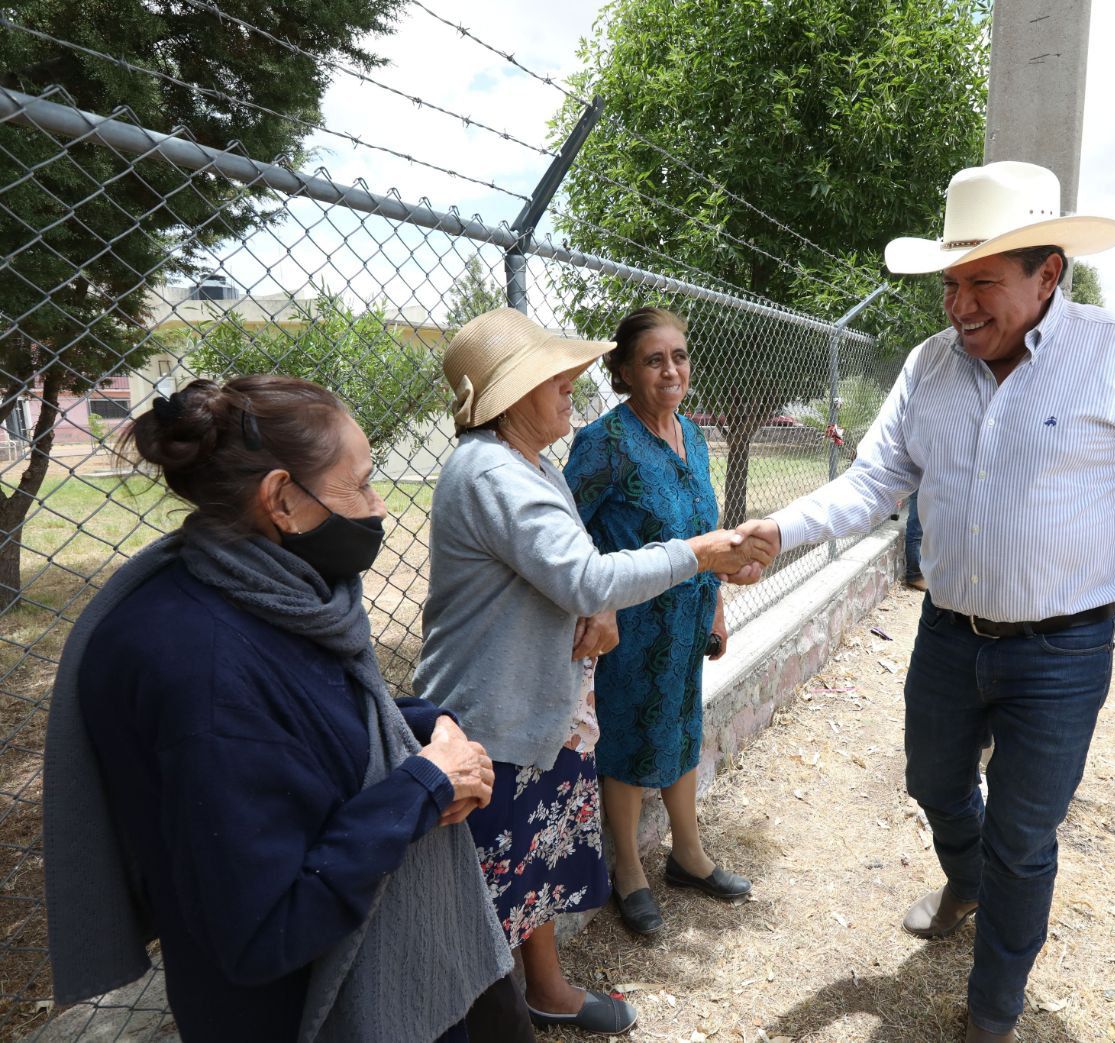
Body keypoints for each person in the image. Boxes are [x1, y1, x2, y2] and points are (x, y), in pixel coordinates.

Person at [734, 161, 1115, 1043]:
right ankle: (966, 876)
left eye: (981, 283)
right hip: (951, 634)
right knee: (934, 781)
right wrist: (782, 530)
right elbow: (875, 478)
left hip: (1065, 652)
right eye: (951, 283)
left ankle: (993, 1010)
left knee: (1026, 836)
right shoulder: (930, 368)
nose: (958, 306)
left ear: (1048, 275)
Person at [42, 376, 526, 1043]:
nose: (378, 505)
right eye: (359, 485)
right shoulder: (203, 671)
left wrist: (421, 726)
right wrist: (422, 784)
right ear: (281, 500)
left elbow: (314, 714)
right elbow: (267, 928)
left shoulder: (266, 591)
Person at [414, 308, 767, 1035]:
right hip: (496, 717)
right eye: (554, 376)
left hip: (540, 704)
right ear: (511, 394)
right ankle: (498, 1017)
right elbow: (579, 571)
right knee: (498, 888)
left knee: (532, 868)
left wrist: (610, 603)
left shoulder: (529, 462)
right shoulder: (490, 473)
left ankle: (546, 988)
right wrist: (696, 555)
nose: (570, 384)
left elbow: (567, 560)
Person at [563, 307, 750, 938]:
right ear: (622, 371)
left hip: (688, 621)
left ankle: (688, 856)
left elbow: (708, 534)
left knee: (681, 729)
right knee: (623, 743)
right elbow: (567, 535)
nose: (671, 370)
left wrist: (718, 607)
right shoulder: (604, 444)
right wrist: (599, 601)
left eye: (679, 356)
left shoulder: (693, 435)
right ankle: (628, 871)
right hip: (629, 629)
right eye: (653, 359)